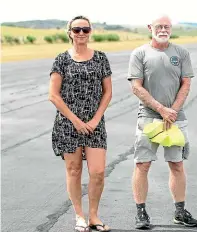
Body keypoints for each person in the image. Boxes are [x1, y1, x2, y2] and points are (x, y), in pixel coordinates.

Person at [127, 14, 197, 230]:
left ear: (171, 28)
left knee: (177, 164)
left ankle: (180, 211)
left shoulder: (181, 53)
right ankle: (141, 212)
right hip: (148, 118)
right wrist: (161, 109)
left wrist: (173, 111)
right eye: (158, 26)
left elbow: (185, 84)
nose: (163, 29)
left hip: (176, 119)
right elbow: (136, 87)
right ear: (150, 27)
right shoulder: (140, 53)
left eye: (166, 26)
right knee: (142, 164)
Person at [48, 15, 112, 232]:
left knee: (98, 171)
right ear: (70, 33)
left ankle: (94, 216)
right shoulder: (61, 60)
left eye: (85, 29)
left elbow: (108, 93)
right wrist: (75, 121)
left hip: (95, 125)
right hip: (68, 124)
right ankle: (79, 216)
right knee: (74, 170)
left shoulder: (101, 58)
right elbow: (54, 95)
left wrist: (94, 120)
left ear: (90, 31)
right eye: (77, 30)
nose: (81, 33)